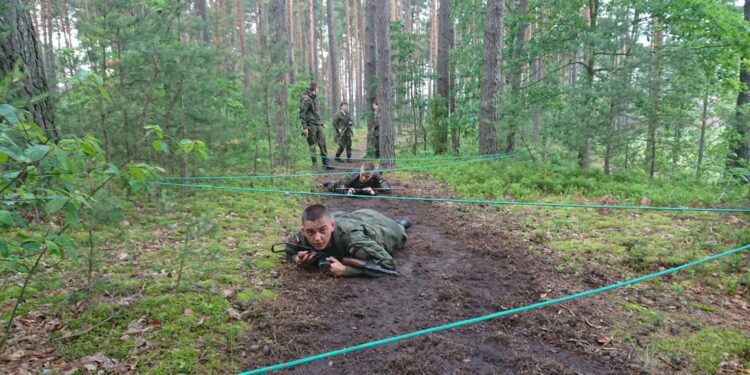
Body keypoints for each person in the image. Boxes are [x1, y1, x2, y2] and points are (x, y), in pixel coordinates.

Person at [285, 204, 412, 277]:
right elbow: (289, 248)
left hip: (383, 230)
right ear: (303, 230)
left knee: (397, 229)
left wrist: (346, 270)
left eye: (323, 230)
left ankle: (401, 224)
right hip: (356, 216)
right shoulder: (304, 234)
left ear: (332, 226)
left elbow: (388, 264)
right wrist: (297, 258)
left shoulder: (353, 238)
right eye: (311, 232)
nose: (317, 238)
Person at [299, 82, 333, 169]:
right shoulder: (306, 98)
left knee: (323, 143)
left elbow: (314, 113)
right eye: (317, 88)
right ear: (315, 88)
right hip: (310, 125)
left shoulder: (313, 98)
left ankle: (326, 163)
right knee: (312, 144)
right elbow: (302, 113)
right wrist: (305, 127)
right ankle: (314, 164)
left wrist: (321, 123)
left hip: (317, 124)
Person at [323, 162, 391, 195]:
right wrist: (347, 191)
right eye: (362, 175)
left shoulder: (376, 175)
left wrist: (373, 192)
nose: (363, 178)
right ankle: (330, 182)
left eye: (367, 176)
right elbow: (340, 187)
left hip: (362, 187)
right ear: (360, 171)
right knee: (333, 187)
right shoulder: (352, 176)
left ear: (372, 175)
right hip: (349, 184)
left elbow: (387, 190)